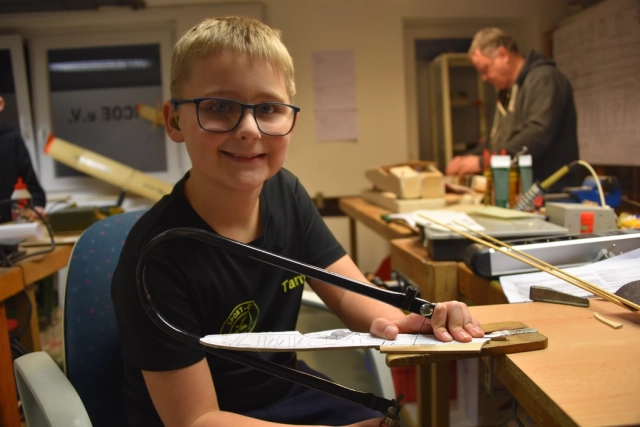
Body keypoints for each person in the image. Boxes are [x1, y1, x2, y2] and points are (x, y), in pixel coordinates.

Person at [111, 16, 485, 427]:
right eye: (219, 107)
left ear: (291, 121)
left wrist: (410, 322)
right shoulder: (153, 259)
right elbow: (196, 418)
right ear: (174, 120)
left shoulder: (286, 192)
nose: (249, 130)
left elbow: (348, 295)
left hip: (284, 389)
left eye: (268, 109)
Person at [445, 27, 580, 192]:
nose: (484, 78)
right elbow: (499, 141)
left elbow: (537, 135)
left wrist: (483, 162)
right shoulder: (508, 92)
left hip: (551, 191)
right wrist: (469, 158)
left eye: (486, 69)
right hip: (523, 191)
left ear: (503, 55)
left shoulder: (544, 79)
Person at [0, 95, 47, 223]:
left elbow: (35, 191)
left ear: (0, 103)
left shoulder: (12, 140)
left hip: (9, 226)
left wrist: (37, 207)